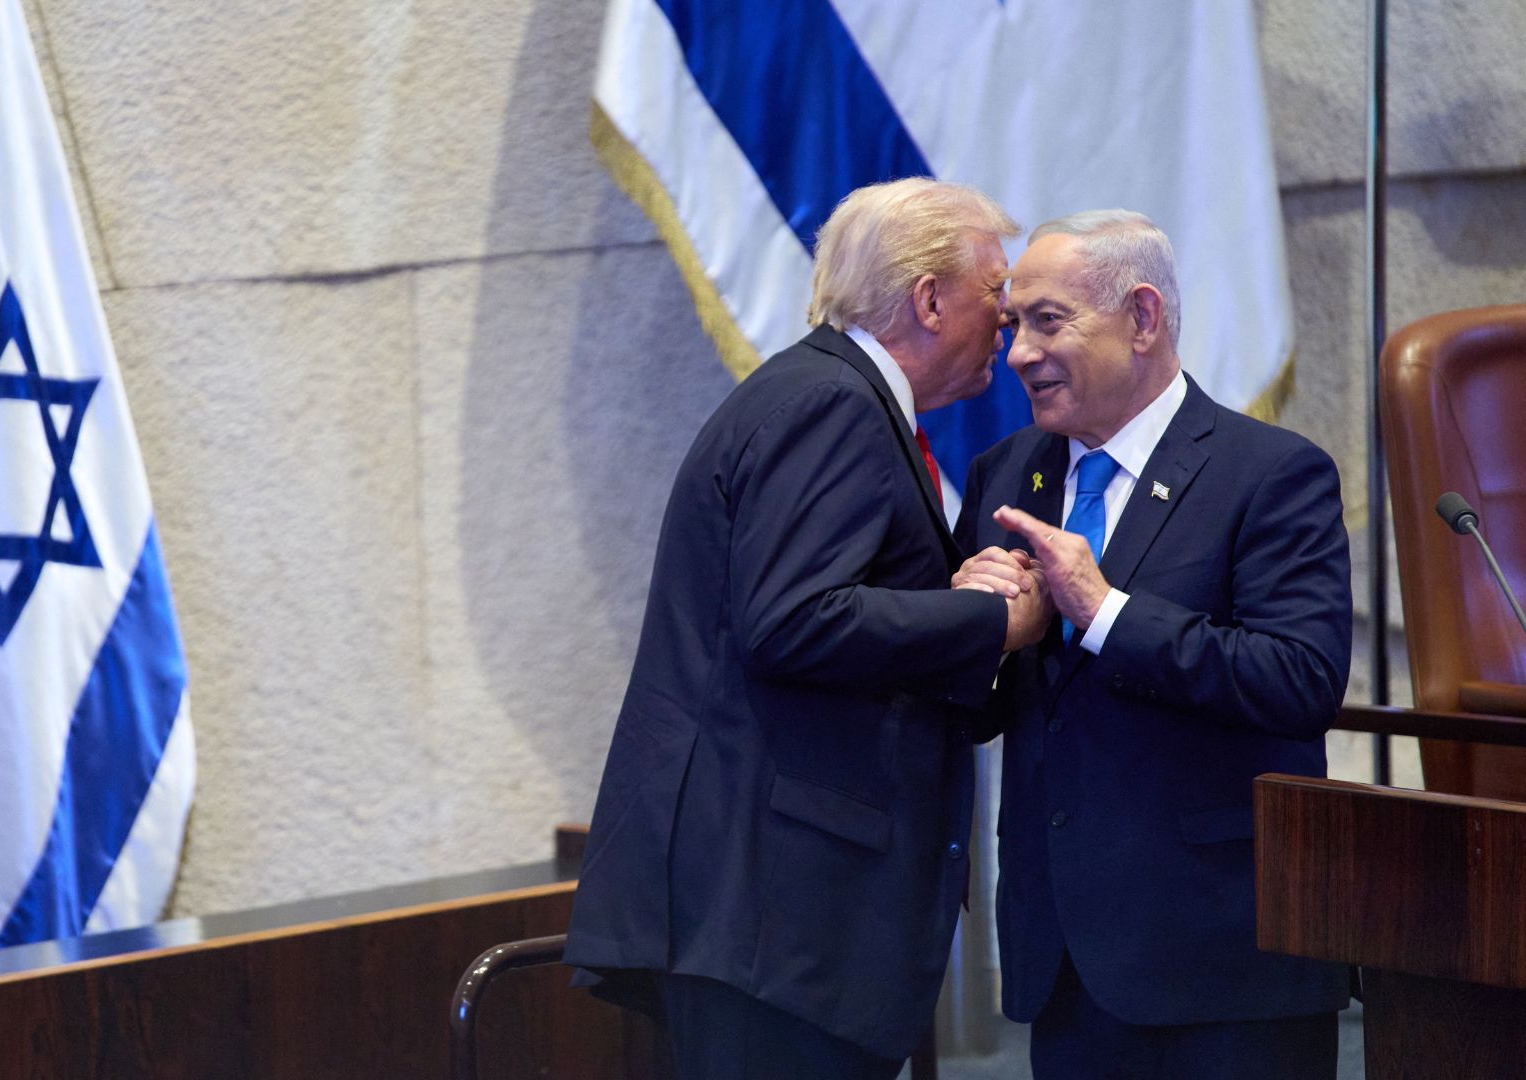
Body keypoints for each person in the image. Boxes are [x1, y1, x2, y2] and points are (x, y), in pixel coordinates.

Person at [563, 178, 1051, 1079]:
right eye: (995, 292)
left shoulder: (826, 393)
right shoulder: (834, 404)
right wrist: (987, 617)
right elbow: (791, 620)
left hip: (772, 917)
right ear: (929, 300)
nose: (1009, 319)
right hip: (771, 917)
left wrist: (948, 602)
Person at [952, 210, 1351, 1079]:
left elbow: (1300, 681)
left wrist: (1105, 612)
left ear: (1141, 317)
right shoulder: (1005, 475)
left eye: (1048, 321)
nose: (1018, 352)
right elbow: (977, 710)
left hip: (1225, 965)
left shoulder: (1270, 474)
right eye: (1015, 324)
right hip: (1064, 962)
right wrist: (974, 634)